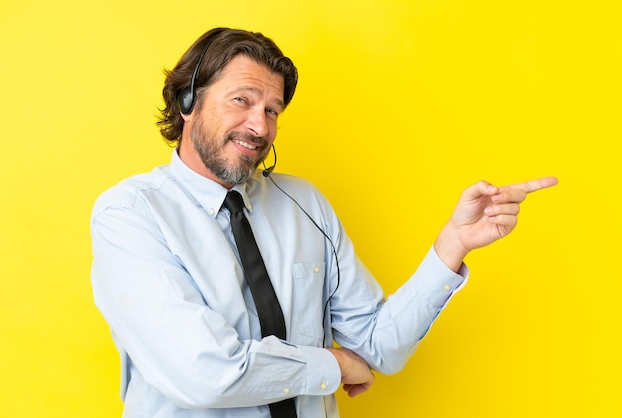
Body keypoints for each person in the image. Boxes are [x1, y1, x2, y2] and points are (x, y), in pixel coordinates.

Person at [90, 27, 557, 418]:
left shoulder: (304, 202)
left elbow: (378, 347)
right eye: (242, 100)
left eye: (272, 110)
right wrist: (333, 366)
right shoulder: (129, 215)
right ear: (189, 99)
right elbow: (205, 371)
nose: (260, 126)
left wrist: (452, 245)